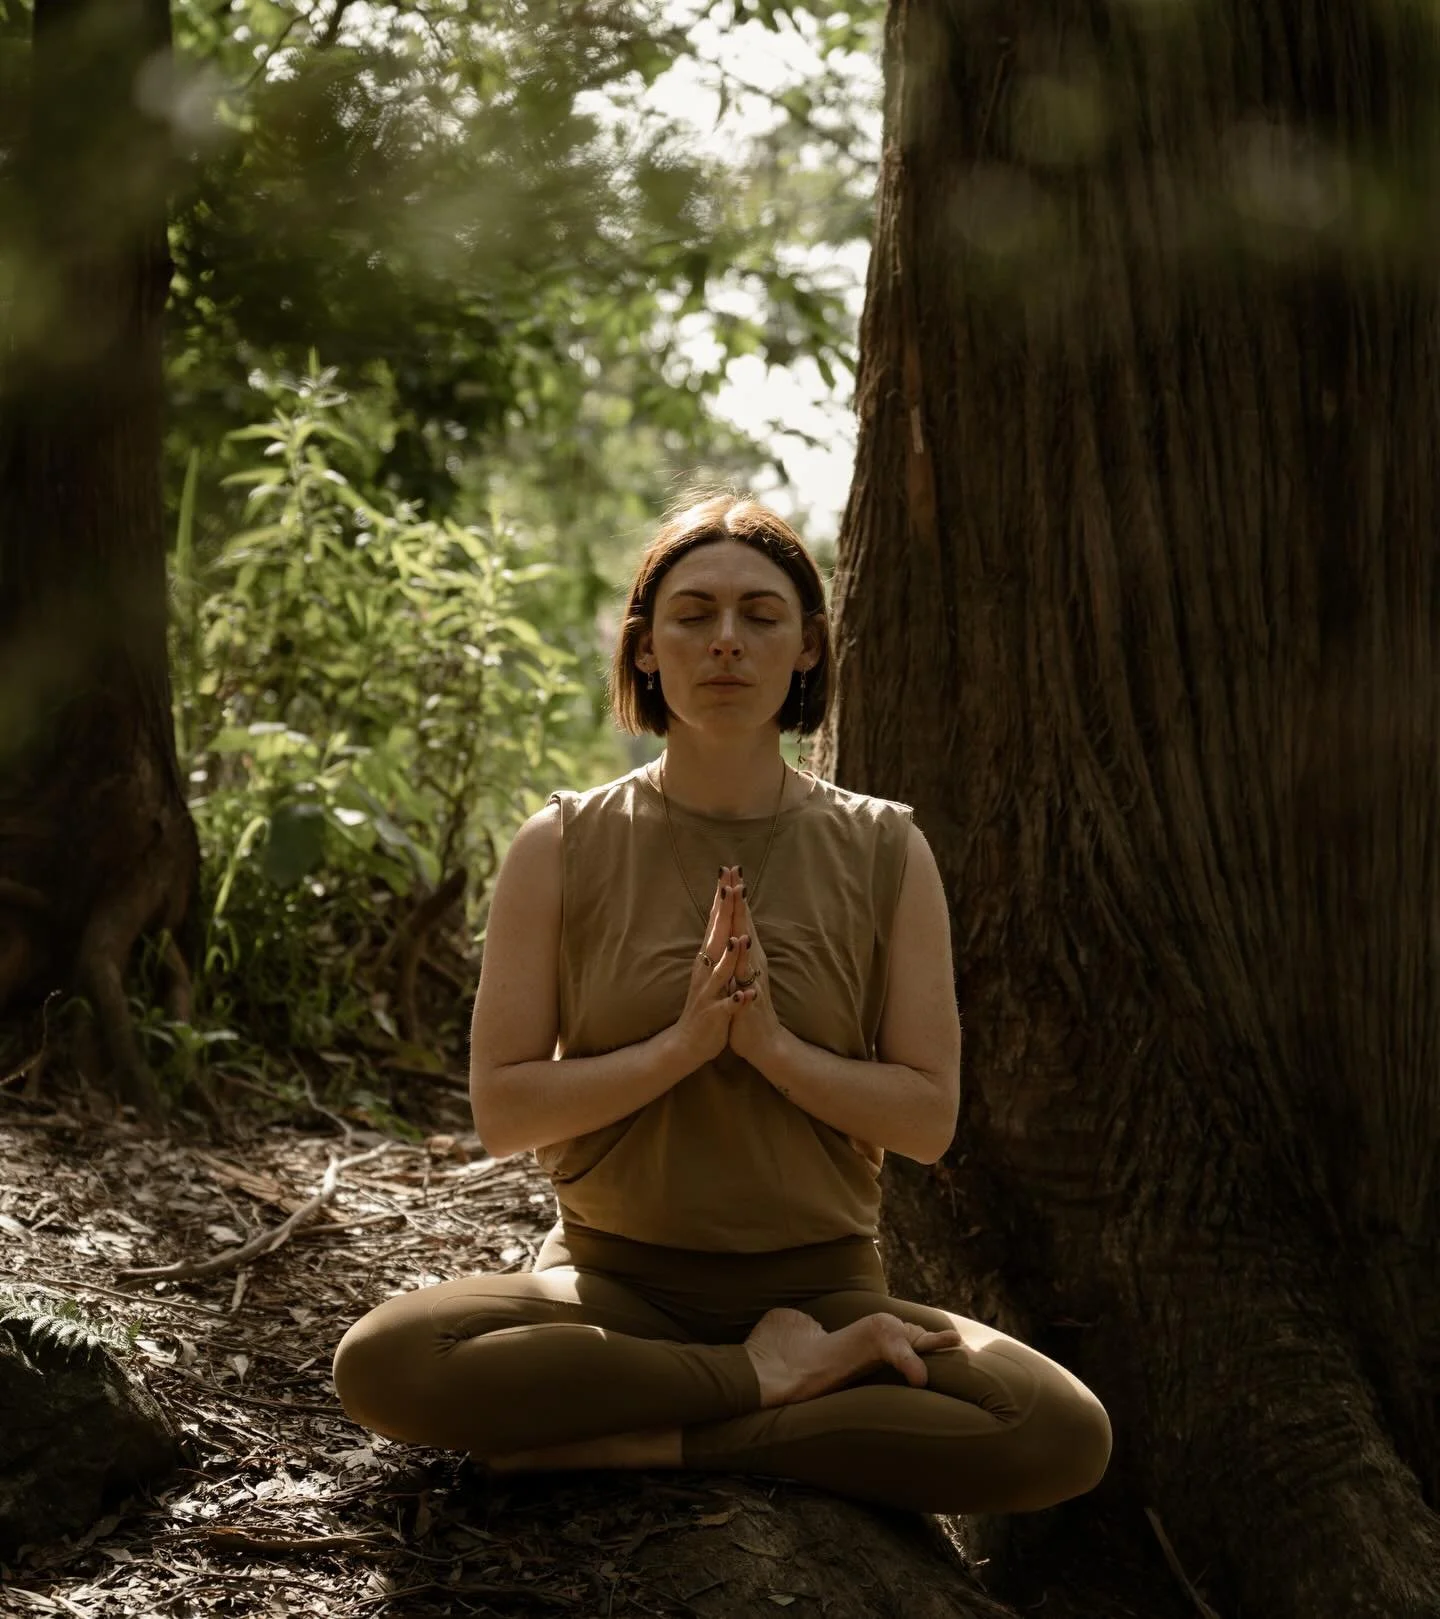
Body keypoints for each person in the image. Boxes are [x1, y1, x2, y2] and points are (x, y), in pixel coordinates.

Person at [332, 491, 1112, 1515]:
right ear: (646, 648)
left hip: (823, 1291)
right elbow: (505, 1109)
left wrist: (774, 1047)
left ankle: (643, 1433)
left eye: (761, 615)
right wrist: (686, 1044)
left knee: (1056, 1429)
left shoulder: (885, 848)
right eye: (693, 614)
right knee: (387, 1358)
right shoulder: (560, 843)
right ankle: (766, 1385)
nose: (726, 642)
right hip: (610, 1289)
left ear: (808, 650)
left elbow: (927, 1118)